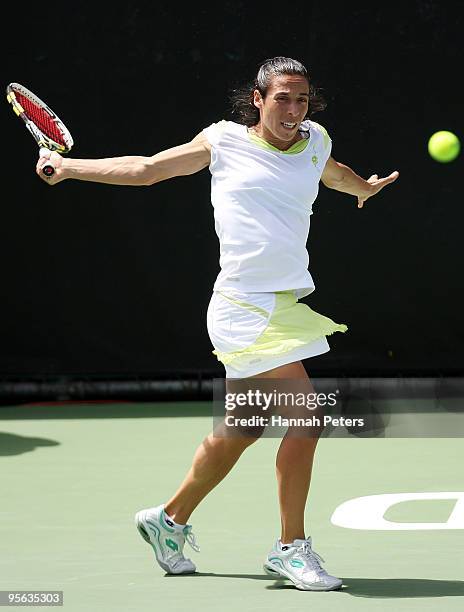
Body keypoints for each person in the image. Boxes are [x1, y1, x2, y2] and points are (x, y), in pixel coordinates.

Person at [36, 56, 399, 591]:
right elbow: (147, 168)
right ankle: (290, 548)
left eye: (302, 100)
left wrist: (363, 189)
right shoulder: (224, 141)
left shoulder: (316, 139)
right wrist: (70, 167)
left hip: (283, 303)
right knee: (307, 418)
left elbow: (332, 172)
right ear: (257, 99)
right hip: (243, 308)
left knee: (241, 429)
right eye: (282, 99)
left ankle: (168, 520)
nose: (294, 110)